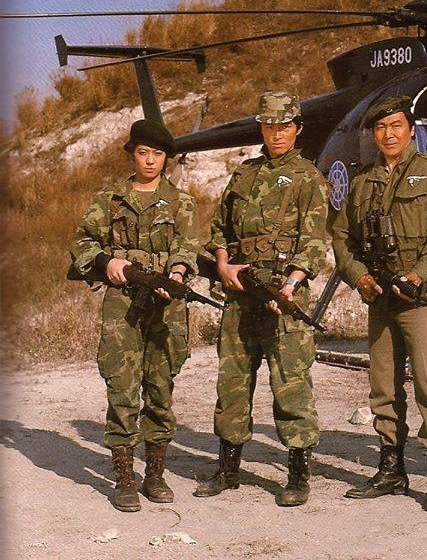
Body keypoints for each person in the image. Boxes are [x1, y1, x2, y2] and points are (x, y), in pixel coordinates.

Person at [195, 91, 328, 507]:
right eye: (270, 126)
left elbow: (314, 242)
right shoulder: (243, 174)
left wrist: (290, 284)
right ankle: (228, 468)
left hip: (283, 294)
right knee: (232, 382)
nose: (277, 133)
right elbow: (220, 227)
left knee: (290, 382)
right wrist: (223, 265)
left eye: (285, 126)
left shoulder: (308, 177)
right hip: (240, 293)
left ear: (297, 128)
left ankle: (298, 474)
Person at [331, 95, 427, 512]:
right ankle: (392, 469)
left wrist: (419, 275)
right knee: (383, 386)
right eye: (381, 128)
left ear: (411, 130)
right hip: (380, 298)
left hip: (418, 299)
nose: (388, 134)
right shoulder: (363, 182)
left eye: (396, 126)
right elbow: (342, 238)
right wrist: (360, 277)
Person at [69, 119, 199, 512]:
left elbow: (187, 247)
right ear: (133, 154)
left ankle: (155, 474)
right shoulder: (110, 200)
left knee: (160, 388)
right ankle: (124, 478)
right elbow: (82, 242)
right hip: (122, 304)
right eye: (143, 152)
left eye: (157, 154)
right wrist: (106, 262)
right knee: (122, 388)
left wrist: (177, 274)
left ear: (166, 158)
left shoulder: (181, 201)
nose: (150, 160)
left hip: (165, 305)